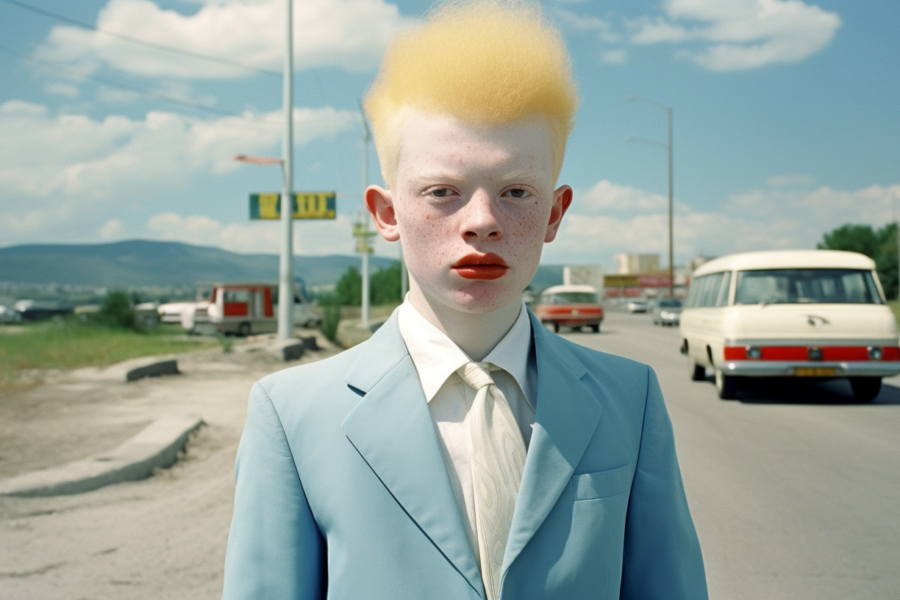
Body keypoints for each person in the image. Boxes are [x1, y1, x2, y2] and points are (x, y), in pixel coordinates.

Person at [222, 2, 707, 598]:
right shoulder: (293, 415)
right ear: (386, 212)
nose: (482, 222)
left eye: (517, 191)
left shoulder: (630, 400)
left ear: (555, 213)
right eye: (443, 192)